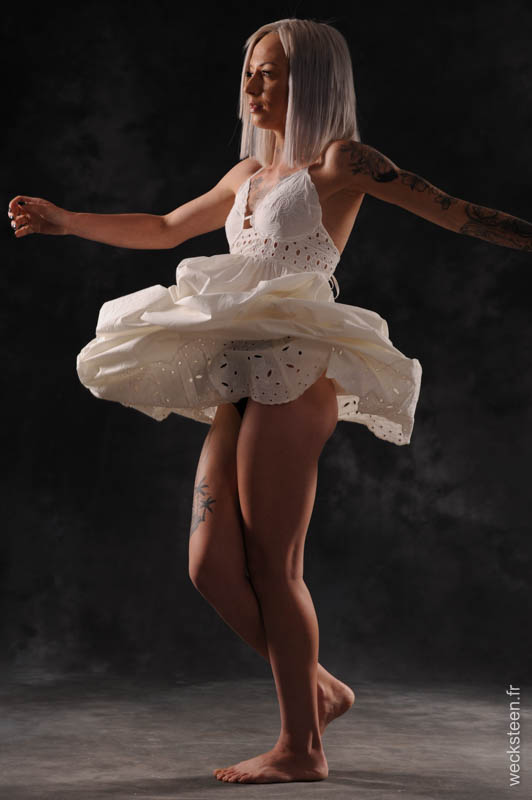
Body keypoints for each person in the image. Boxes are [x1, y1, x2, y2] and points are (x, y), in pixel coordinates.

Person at [8, 17, 531, 786]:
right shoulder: (246, 174)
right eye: (249, 71)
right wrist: (65, 221)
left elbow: (452, 210)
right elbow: (164, 227)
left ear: (311, 80)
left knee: (273, 566)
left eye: (271, 72)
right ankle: (322, 689)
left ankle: (301, 747)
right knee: (209, 567)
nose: (252, 85)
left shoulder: (343, 162)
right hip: (239, 375)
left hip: (296, 372)